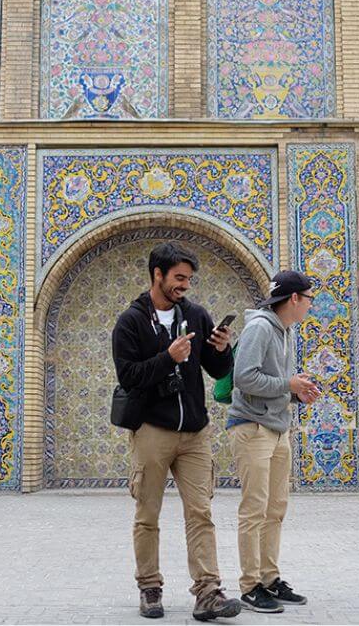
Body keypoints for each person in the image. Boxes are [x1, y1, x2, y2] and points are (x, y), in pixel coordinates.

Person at [111, 242, 243, 621]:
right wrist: (167, 358)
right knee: (147, 513)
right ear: (158, 275)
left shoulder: (197, 315)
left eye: (189, 278)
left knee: (200, 512)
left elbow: (217, 372)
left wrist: (222, 350)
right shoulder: (131, 322)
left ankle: (208, 593)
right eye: (179, 278)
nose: (185, 285)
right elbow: (128, 376)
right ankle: (149, 588)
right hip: (153, 430)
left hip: (195, 433)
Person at [227, 270, 319, 613]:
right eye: (309, 298)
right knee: (254, 509)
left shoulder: (284, 331)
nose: (311, 305)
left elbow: (275, 383)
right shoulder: (261, 327)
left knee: (275, 508)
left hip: (277, 428)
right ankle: (250, 585)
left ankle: (269, 578)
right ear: (294, 298)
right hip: (252, 428)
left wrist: (296, 393)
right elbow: (244, 377)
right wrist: (288, 385)